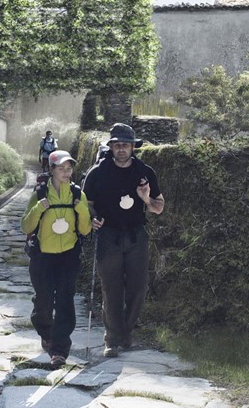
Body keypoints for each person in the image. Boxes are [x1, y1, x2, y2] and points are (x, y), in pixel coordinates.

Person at [82, 123, 164, 357]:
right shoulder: (97, 173)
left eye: (126, 145)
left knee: (139, 288)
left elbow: (159, 207)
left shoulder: (145, 172)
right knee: (111, 290)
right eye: (117, 144)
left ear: (132, 147)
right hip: (108, 237)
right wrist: (93, 218)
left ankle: (126, 332)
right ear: (111, 146)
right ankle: (112, 339)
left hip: (136, 236)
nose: (121, 149)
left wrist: (146, 199)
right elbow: (85, 205)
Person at [21, 150, 91, 368]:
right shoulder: (41, 193)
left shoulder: (78, 195)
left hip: (68, 257)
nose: (66, 172)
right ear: (52, 170)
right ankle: (44, 329)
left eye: (69, 168)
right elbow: (26, 226)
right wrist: (38, 208)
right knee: (43, 300)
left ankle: (59, 350)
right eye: (61, 168)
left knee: (64, 301)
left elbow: (85, 230)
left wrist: (81, 210)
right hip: (42, 256)